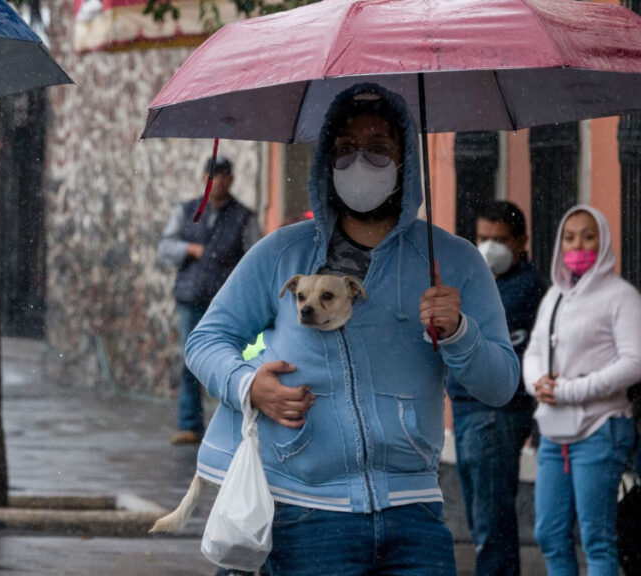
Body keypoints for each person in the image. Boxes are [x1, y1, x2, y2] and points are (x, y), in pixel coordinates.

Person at [184, 83, 519, 575]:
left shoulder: (455, 262)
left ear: (406, 161)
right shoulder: (284, 254)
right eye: (345, 149)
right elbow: (205, 341)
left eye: (379, 148)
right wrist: (249, 384)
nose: (360, 161)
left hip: (416, 517)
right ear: (326, 161)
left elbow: (501, 385)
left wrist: (459, 333)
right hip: (304, 514)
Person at [522, 205, 641, 576]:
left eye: (588, 236)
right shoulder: (555, 296)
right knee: (550, 535)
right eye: (570, 237)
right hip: (555, 434)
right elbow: (535, 351)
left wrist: (572, 390)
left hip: (600, 429)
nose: (578, 244)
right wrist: (537, 383)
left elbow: (634, 362)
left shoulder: (621, 296)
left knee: (597, 538)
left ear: (603, 241)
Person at [447, 200, 546, 576]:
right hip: (468, 408)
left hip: (494, 411)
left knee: (491, 522)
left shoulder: (522, 288)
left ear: (521, 242)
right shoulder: (477, 281)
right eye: (482, 238)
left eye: (499, 239)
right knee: (481, 516)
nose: (488, 247)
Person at [157, 155, 260, 445]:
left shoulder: (244, 216)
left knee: (231, 360)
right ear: (204, 179)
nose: (220, 182)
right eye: (215, 176)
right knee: (190, 359)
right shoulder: (187, 211)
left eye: (225, 176)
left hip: (227, 300)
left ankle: (230, 427)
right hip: (191, 295)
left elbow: (255, 256)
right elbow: (165, 246)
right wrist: (190, 249)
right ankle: (189, 424)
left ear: (232, 180)